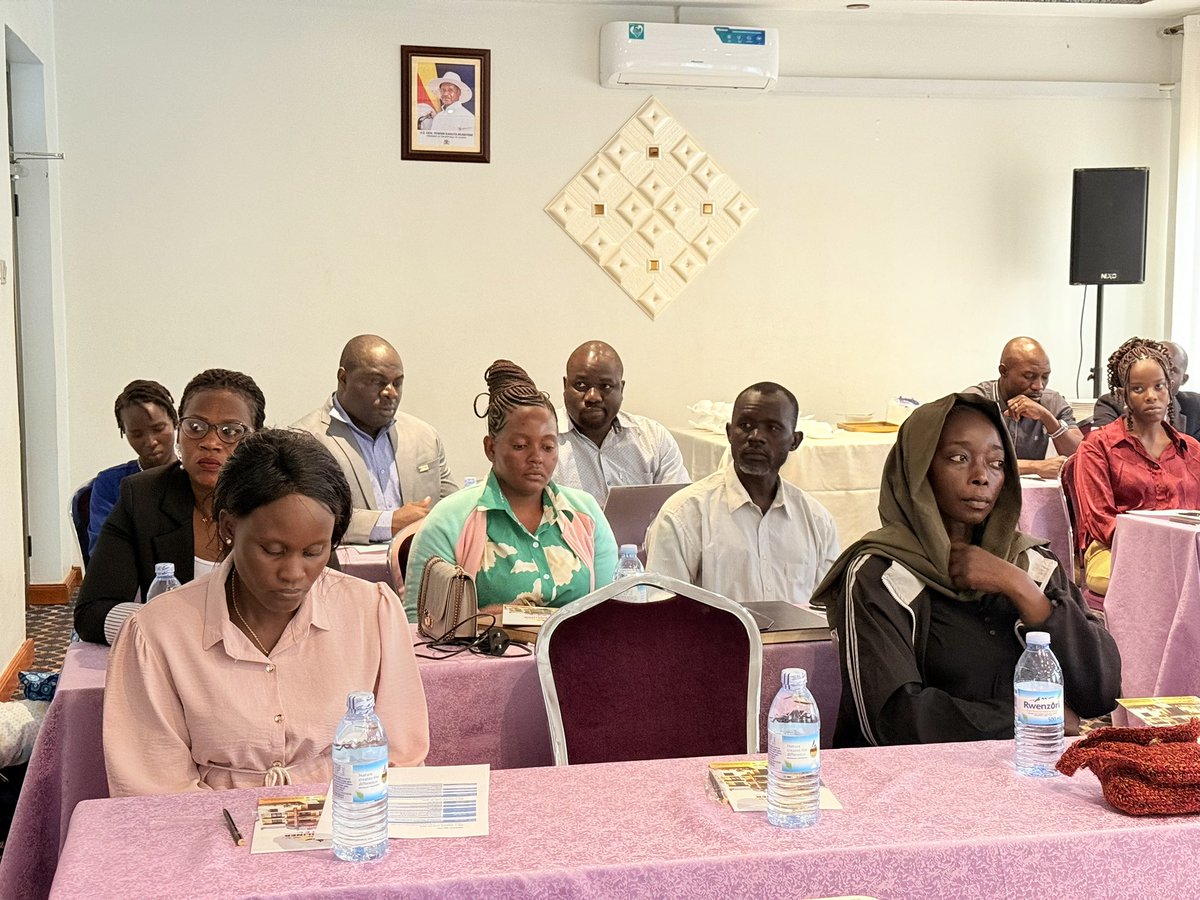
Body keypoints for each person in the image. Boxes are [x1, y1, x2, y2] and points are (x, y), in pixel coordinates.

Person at [103, 429, 428, 796]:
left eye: (313, 552)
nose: (293, 573)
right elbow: (153, 786)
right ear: (229, 527)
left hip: (349, 817)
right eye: (272, 551)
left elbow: (400, 756)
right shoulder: (157, 633)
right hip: (213, 824)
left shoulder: (371, 612)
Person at [811, 393, 1120, 747]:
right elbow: (892, 721)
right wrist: (1027, 716)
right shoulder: (880, 573)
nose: (981, 477)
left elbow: (1099, 693)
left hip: (1027, 769)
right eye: (958, 458)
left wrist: (1023, 591)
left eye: (997, 463)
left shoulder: (1030, 563)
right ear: (918, 469)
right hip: (910, 777)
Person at [405, 360, 618, 622]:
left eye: (548, 447)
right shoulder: (449, 520)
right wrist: (486, 621)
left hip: (577, 648)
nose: (536, 458)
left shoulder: (585, 513)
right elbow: (419, 623)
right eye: (520, 446)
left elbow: (611, 612)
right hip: (482, 650)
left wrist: (506, 616)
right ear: (490, 448)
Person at [74, 369, 266, 645]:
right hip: (173, 658)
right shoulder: (143, 497)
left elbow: (319, 601)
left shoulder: (280, 502)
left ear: (255, 440)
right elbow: (92, 612)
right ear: (179, 434)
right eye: (196, 427)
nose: (210, 443)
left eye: (231, 432)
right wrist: (176, 629)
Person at [645, 382, 839, 608]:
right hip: (713, 633)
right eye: (746, 425)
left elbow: (829, 610)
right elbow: (662, 610)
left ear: (794, 441)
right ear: (729, 433)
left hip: (802, 633)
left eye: (773, 428)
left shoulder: (817, 521)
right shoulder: (685, 514)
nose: (756, 437)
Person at [294, 335, 456, 544]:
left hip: (418, 562)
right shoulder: (304, 440)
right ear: (343, 378)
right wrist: (389, 522)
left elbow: (454, 508)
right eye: (377, 382)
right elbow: (308, 518)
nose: (391, 393)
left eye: (397, 383)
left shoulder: (424, 436)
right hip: (344, 564)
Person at [1073, 337, 1200, 595]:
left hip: (1186, 551)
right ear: (1123, 394)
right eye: (1138, 389)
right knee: (1160, 581)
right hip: (1115, 549)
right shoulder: (1098, 447)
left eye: (1159, 386)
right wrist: (1160, 550)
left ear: (1170, 388)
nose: (1151, 396)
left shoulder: (1191, 450)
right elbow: (1101, 520)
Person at [553, 340, 689, 505]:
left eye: (605, 386)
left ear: (621, 388)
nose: (593, 397)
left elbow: (679, 507)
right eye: (581, 385)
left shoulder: (654, 438)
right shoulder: (543, 441)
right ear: (565, 386)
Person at [964, 337, 1081, 478]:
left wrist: (1048, 419)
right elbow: (968, 460)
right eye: (1029, 376)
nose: (1039, 386)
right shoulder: (975, 401)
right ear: (1003, 371)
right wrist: (1034, 467)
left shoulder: (1052, 402)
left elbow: (1081, 455)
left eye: (1045, 377)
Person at [86, 380, 179, 556]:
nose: (150, 441)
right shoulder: (110, 484)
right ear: (124, 432)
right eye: (137, 434)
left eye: (158, 428)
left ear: (175, 422)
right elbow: (103, 552)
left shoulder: (196, 477)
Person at [1091, 340, 1200, 441]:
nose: (1163, 373)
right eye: (1159, 366)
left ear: (1183, 379)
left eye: (1171, 370)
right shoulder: (1111, 403)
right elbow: (1101, 443)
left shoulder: (1195, 405)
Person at [417, 71, 475, 146]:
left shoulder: (468, 117)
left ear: (459, 93)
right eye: (443, 90)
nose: (445, 94)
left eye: (450, 90)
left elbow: (468, 146)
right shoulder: (437, 117)